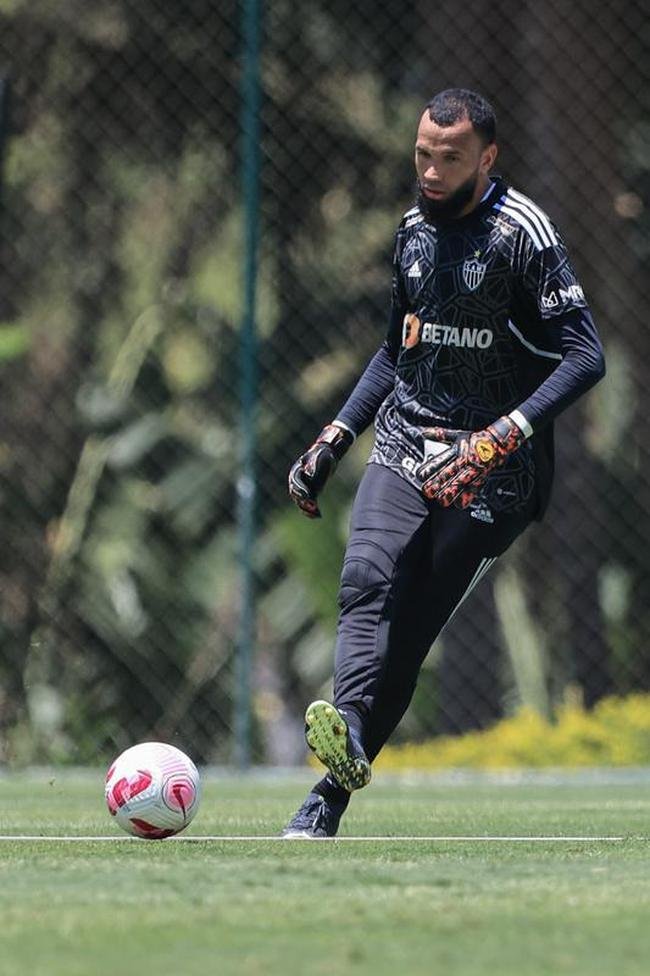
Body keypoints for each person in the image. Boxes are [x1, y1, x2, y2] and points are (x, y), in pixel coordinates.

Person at [282, 88, 606, 838]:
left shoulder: (524, 234)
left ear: (486, 158)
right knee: (365, 580)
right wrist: (336, 435)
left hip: (495, 469)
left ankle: (331, 793)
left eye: (449, 158)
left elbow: (586, 355)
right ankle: (346, 748)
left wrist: (499, 437)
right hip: (405, 441)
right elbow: (398, 351)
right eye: (423, 153)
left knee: (414, 624)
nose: (430, 170)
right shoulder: (410, 232)